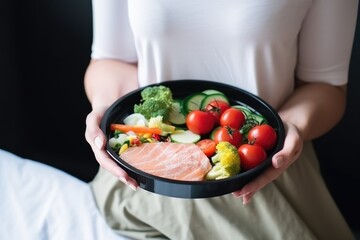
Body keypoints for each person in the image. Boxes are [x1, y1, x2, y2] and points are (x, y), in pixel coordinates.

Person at [84, 1, 358, 239]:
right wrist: (107, 108)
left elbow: (326, 86)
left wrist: (290, 127)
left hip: (266, 168)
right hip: (144, 172)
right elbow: (110, 61)